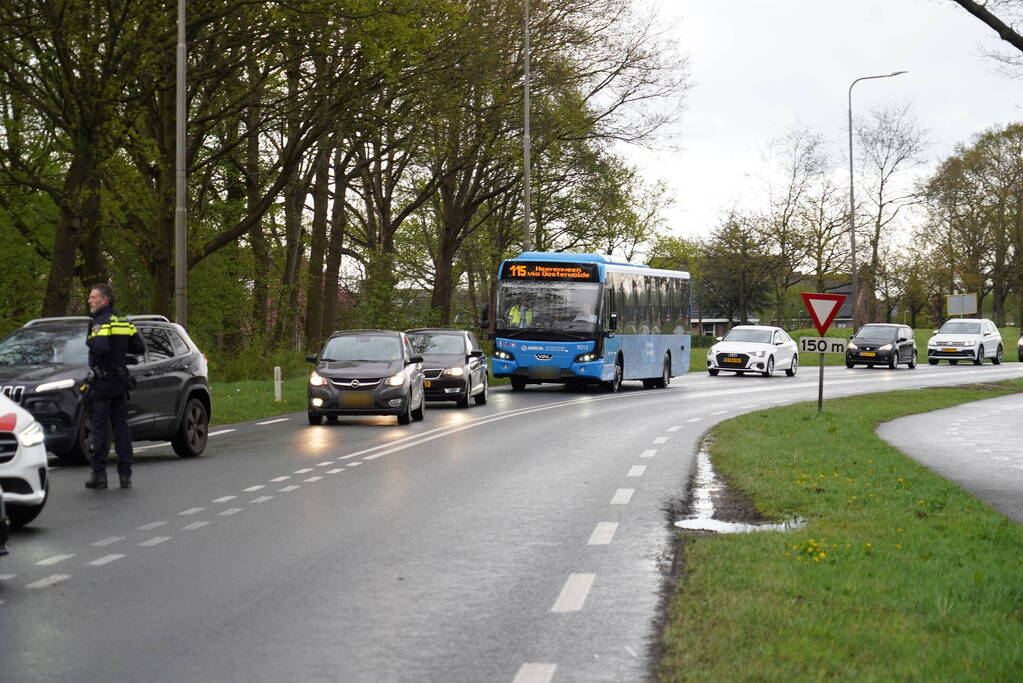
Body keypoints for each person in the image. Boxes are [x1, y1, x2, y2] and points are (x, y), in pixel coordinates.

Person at [84, 284, 145, 490]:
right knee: (121, 429)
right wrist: (120, 354)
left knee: (100, 430)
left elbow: (101, 347)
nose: (89, 300)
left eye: (93, 297)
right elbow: (139, 347)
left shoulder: (100, 322)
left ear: (105, 300)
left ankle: (99, 475)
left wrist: (91, 343)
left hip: (102, 383)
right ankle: (125, 474)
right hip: (120, 382)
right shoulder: (124, 321)